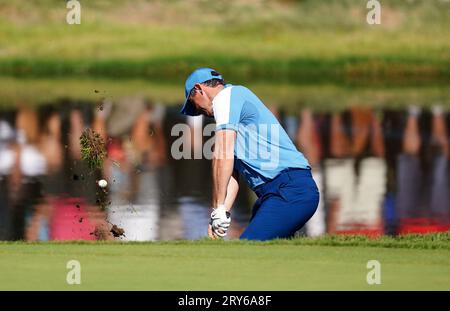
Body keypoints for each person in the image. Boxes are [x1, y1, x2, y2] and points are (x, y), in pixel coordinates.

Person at [180, 68, 319, 240]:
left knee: (248, 249)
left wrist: (217, 209)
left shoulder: (225, 98)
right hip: (277, 193)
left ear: (199, 89)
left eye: (194, 104)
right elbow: (231, 174)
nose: (199, 112)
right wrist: (221, 212)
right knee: (266, 257)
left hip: (290, 190)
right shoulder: (231, 108)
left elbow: (221, 155)